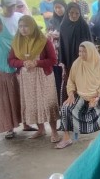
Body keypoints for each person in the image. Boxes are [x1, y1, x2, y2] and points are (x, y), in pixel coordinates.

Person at [7, 15, 60, 143]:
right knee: (33, 103)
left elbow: (53, 60)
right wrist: (22, 63)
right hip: (27, 78)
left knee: (47, 103)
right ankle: (41, 129)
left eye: (26, 26)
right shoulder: (17, 42)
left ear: (32, 26)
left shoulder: (43, 41)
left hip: (43, 76)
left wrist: (37, 63)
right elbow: (11, 60)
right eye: (20, 26)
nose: (23, 29)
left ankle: (54, 131)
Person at [56, 42, 100, 148]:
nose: (81, 54)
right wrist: (71, 94)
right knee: (65, 108)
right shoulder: (76, 63)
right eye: (80, 51)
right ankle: (66, 138)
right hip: (81, 96)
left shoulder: (99, 64)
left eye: (84, 51)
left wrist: (97, 97)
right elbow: (71, 81)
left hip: (98, 95)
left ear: (91, 52)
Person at [55, 2, 93, 103]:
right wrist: (62, 61)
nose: (74, 15)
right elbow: (62, 45)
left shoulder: (84, 26)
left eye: (77, 13)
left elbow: (90, 45)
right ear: (67, 13)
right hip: (69, 60)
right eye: (71, 13)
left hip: (82, 60)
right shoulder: (64, 26)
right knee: (71, 84)